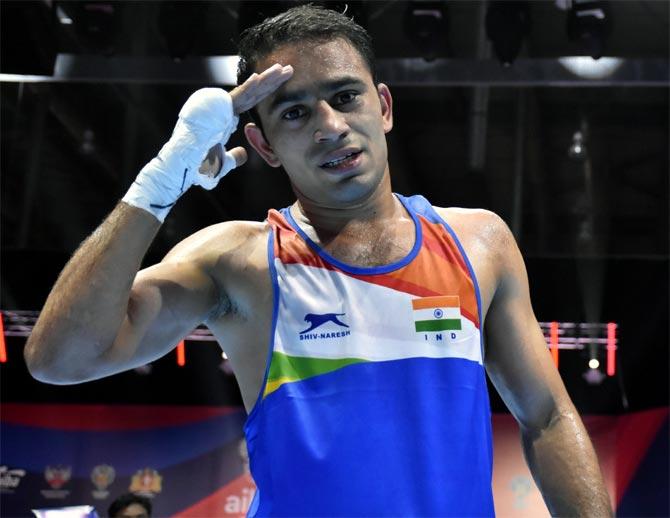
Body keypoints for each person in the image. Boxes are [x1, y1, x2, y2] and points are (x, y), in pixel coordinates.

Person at [25, 5, 612, 517]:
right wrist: (157, 184)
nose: (331, 126)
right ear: (263, 146)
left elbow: (548, 418)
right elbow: (59, 359)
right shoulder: (238, 260)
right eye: (294, 112)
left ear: (382, 106)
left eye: (345, 95)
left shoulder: (479, 243)